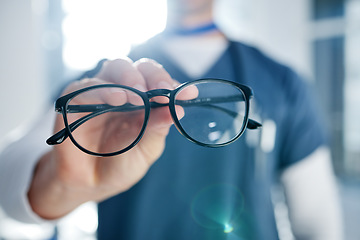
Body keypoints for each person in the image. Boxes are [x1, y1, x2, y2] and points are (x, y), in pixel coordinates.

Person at [0, 0, 344, 239]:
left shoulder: (281, 82)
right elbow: (9, 182)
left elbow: (317, 222)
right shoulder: (102, 83)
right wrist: (60, 185)